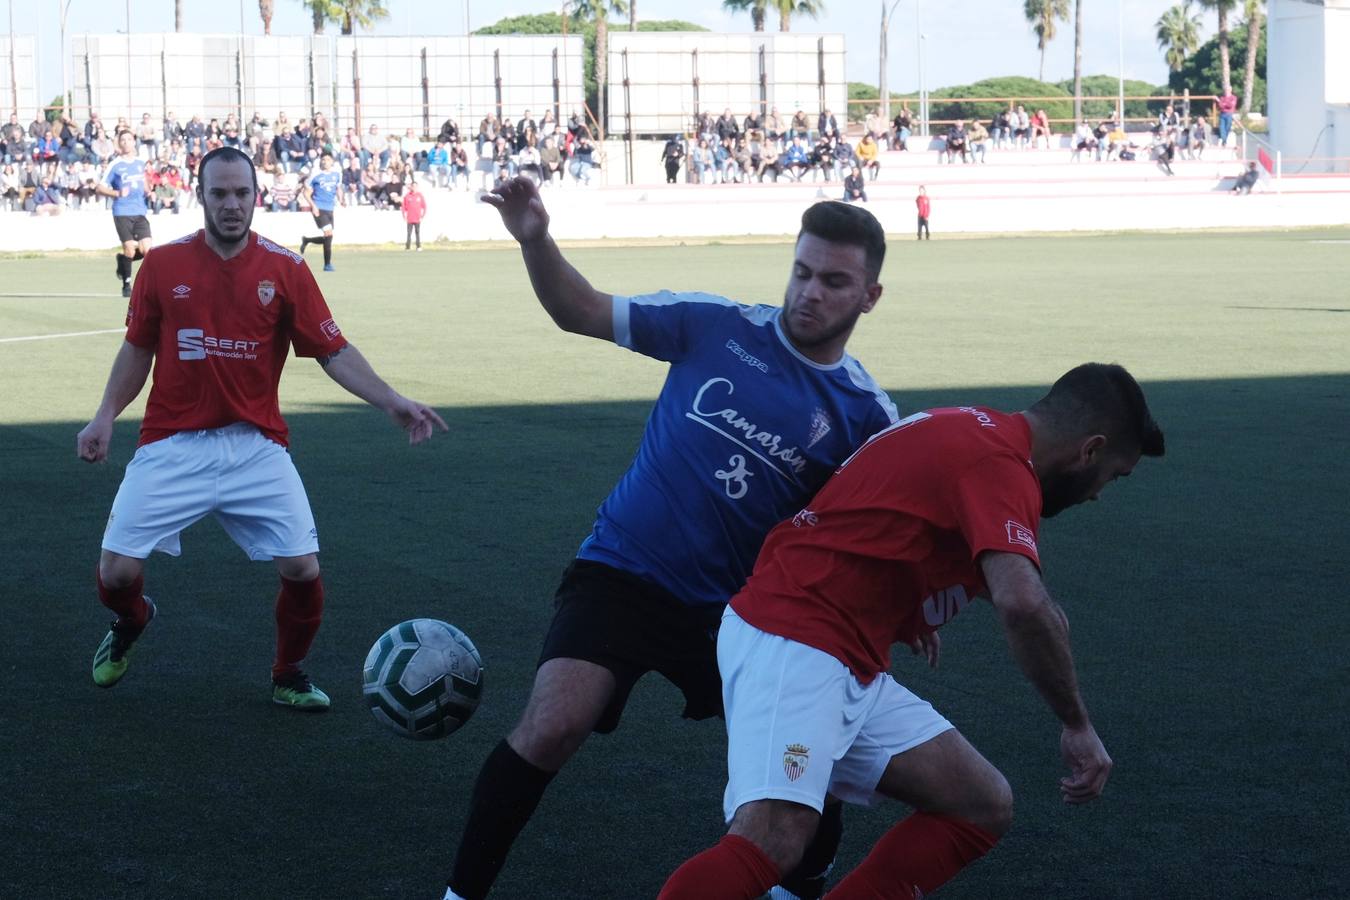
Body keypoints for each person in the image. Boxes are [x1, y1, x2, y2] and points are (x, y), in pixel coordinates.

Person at [445, 177, 901, 900]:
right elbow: (580, 310)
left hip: (742, 613)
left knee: (810, 768)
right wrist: (535, 237)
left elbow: (869, 536)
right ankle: (460, 895)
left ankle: (799, 888)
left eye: (835, 281)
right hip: (624, 569)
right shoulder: (714, 326)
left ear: (869, 296)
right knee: (553, 724)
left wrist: (912, 603)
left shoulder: (867, 417)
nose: (811, 292)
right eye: (803, 271)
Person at [658, 363, 1166, 900]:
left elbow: (889, 519)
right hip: (797, 640)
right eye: (1113, 474)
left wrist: (907, 604)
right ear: (1089, 450)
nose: (1099, 494)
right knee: (776, 838)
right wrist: (1076, 724)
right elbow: (1023, 604)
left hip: (839, 649)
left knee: (979, 803)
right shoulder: (1001, 465)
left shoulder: (972, 428)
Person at [76, 145, 447, 711]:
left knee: (302, 567)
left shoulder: (286, 268)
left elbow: (332, 350)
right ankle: (133, 621)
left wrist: (390, 400)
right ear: (200, 195)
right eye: (219, 193)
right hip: (171, 443)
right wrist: (104, 416)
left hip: (256, 447)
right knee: (117, 572)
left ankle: (288, 673)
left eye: (241, 193)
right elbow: (138, 349)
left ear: (256, 196)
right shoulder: (164, 265)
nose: (231, 204)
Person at [95, 130, 153, 298]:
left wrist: (149, 189)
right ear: (119, 144)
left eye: (129, 139)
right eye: (123, 140)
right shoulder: (116, 165)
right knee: (129, 249)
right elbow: (100, 187)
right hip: (122, 211)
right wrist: (117, 193)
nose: (127, 142)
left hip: (140, 211)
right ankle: (126, 284)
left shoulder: (141, 163)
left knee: (147, 250)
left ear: (134, 142)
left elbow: (146, 187)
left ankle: (125, 262)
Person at [299, 153, 343, 272]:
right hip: (319, 207)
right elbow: (306, 193)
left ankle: (307, 240)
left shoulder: (337, 174)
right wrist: (313, 206)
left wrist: (341, 200)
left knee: (328, 236)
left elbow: (338, 188)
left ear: (332, 162)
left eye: (328, 159)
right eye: (323, 159)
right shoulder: (315, 175)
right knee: (328, 233)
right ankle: (327, 265)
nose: (325, 162)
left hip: (330, 208)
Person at [403, 179, 427, 249]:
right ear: (411, 187)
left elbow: (424, 206)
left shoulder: (420, 195)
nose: (414, 188)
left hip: (417, 218)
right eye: (413, 186)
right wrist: (404, 216)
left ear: (417, 187)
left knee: (417, 232)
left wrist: (422, 216)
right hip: (410, 218)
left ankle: (418, 246)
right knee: (409, 233)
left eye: (415, 186)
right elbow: (404, 207)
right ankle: (408, 246)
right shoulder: (407, 196)